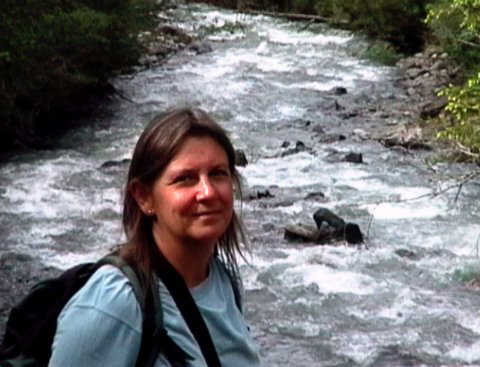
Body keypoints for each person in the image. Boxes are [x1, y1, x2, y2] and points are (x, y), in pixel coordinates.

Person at [48, 107, 262, 366]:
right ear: (143, 196)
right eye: (185, 178)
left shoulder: (223, 278)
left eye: (217, 174)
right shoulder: (112, 306)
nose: (207, 192)